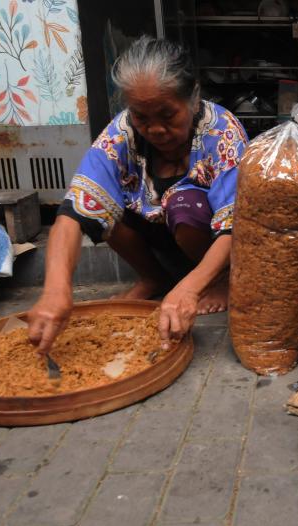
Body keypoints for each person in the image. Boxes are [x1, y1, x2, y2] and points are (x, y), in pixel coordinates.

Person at [27, 36, 247, 354]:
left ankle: (216, 281)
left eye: (167, 115)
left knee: (183, 204)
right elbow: (75, 210)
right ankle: (153, 278)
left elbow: (235, 224)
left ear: (193, 99)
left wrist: (190, 289)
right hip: (155, 231)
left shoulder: (222, 132)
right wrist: (55, 290)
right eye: (142, 118)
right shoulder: (120, 133)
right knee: (103, 211)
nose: (155, 129)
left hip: (206, 238)